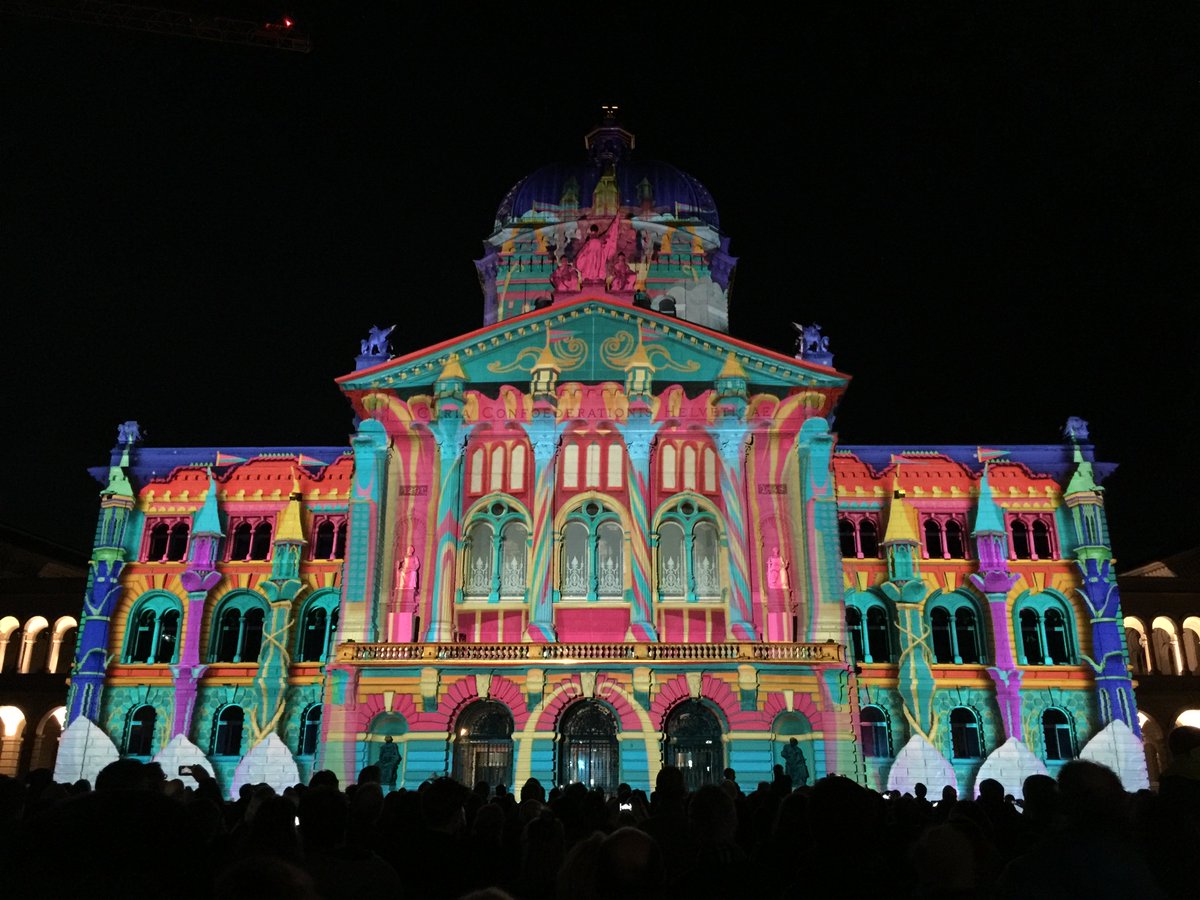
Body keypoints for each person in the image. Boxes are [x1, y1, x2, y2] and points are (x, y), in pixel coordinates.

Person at [574, 214, 619, 283]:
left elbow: (583, 253)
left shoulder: (588, 242)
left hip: (590, 258)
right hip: (598, 256)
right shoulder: (600, 240)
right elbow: (609, 239)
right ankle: (597, 277)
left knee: (590, 265)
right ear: (597, 231)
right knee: (597, 265)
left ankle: (589, 277)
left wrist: (579, 259)